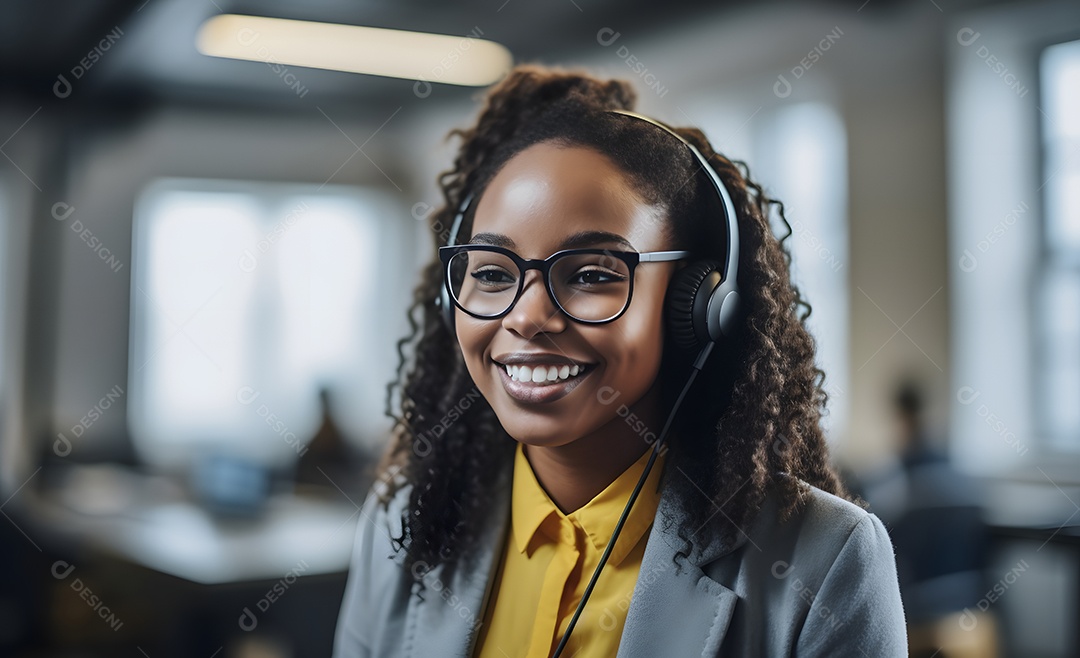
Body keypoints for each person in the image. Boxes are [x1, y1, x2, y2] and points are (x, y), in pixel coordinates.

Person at [333, 64, 906, 657]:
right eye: (491, 273)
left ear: (698, 306)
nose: (526, 317)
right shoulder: (403, 521)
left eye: (589, 275)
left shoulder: (823, 560)